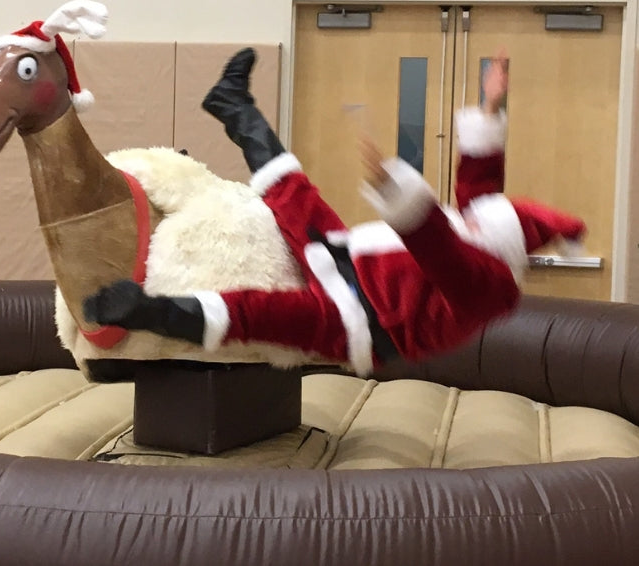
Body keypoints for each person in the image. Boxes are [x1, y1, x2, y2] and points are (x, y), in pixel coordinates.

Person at [83, 48, 586, 376]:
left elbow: (444, 253)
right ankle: (232, 104)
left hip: (361, 323)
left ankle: (145, 312)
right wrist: (491, 107)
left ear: (499, 245)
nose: (469, 214)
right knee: (290, 190)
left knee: (255, 314)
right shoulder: (489, 230)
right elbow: (480, 183)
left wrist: (398, 190)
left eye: (478, 220)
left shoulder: (494, 288)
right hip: (345, 258)